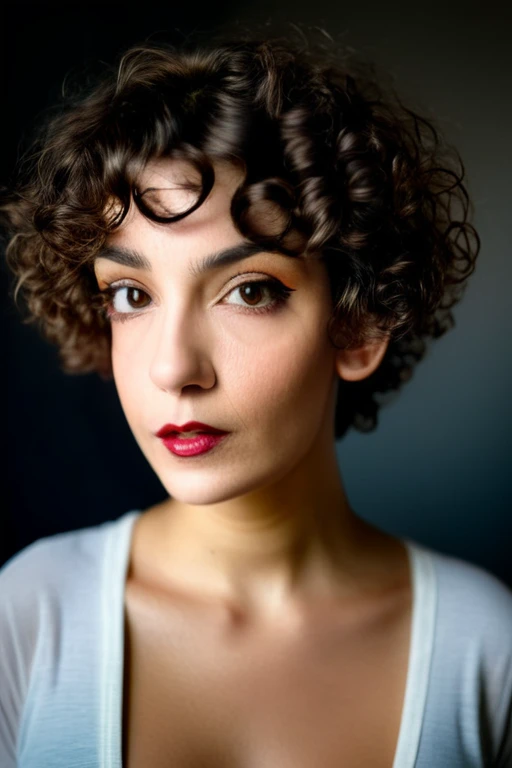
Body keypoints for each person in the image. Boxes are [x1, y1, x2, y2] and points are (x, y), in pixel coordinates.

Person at [1, 30, 511, 768]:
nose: (173, 367)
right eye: (132, 294)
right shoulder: (29, 617)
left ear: (359, 326)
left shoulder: (483, 650)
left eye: (250, 291)